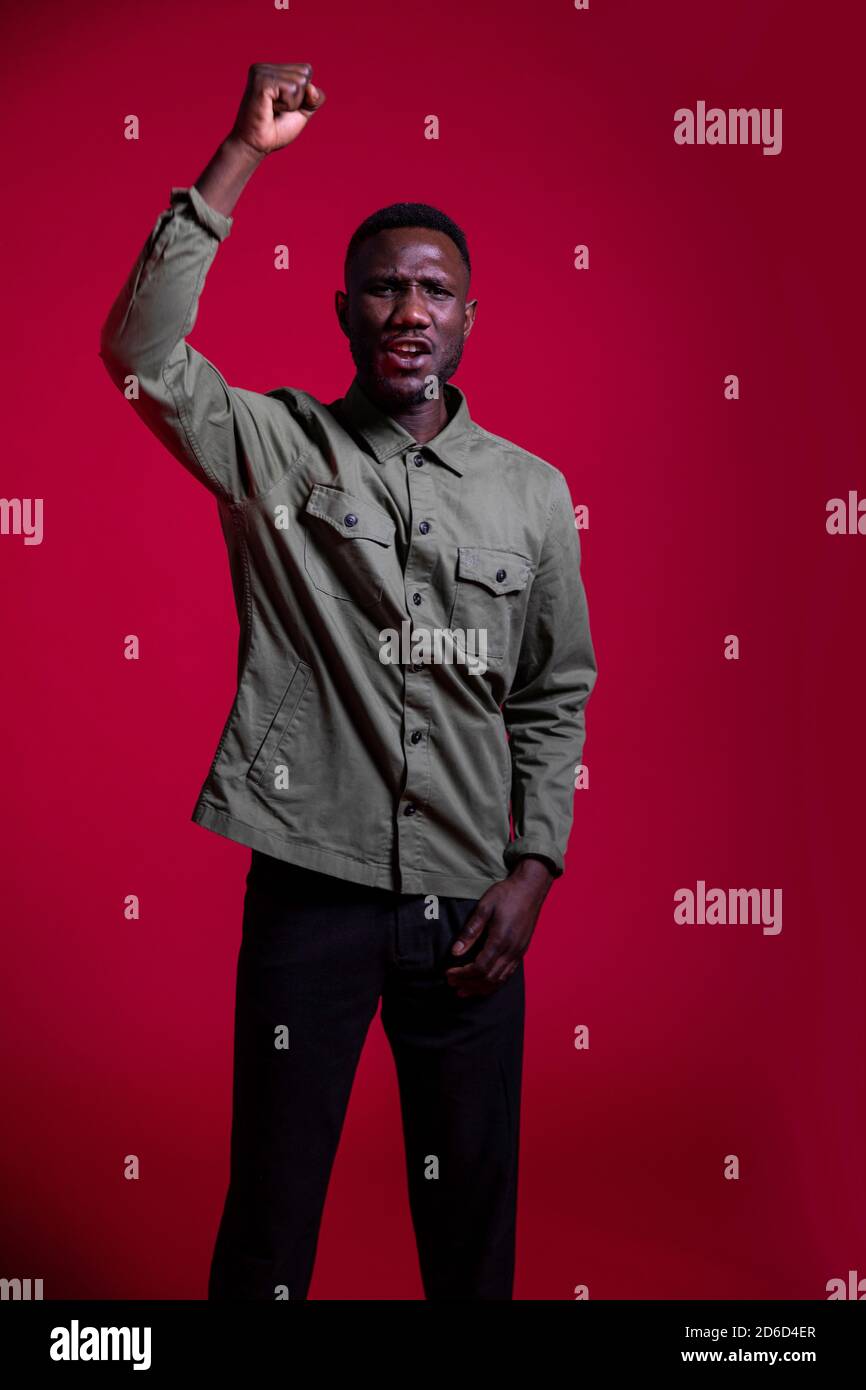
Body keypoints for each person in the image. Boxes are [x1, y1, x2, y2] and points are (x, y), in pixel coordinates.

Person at [99, 62, 598, 1301]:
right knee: (269, 1221)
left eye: (434, 290)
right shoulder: (274, 446)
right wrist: (240, 156)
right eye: (383, 287)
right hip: (306, 896)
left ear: (468, 317)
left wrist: (533, 867)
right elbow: (139, 352)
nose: (408, 310)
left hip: (469, 913)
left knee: (471, 1228)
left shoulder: (532, 493)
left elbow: (553, 691)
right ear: (343, 310)